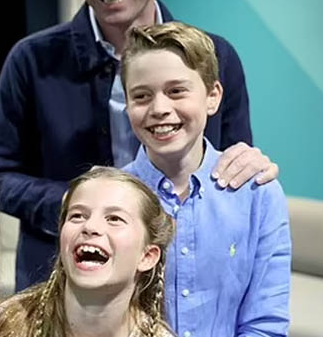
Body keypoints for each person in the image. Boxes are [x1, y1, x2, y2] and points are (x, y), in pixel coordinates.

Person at [0, 0, 279, 291]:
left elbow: (232, 168)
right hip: (59, 285)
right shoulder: (30, 60)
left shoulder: (218, 57)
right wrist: (80, 205)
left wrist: (252, 166)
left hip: (184, 284)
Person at [121, 22, 291, 336]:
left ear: (212, 96)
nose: (160, 108)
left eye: (176, 91)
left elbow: (265, 323)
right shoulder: (110, 198)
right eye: (141, 96)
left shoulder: (258, 194)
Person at [0, 166, 176, 337]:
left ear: (148, 256)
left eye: (114, 218)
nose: (90, 226)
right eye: (78, 215)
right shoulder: (11, 323)